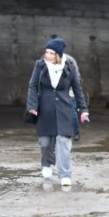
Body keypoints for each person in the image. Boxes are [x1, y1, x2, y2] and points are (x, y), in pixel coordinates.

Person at [26, 37, 89, 187]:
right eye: (46, 52)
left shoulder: (69, 66)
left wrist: (83, 109)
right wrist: (32, 106)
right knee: (45, 142)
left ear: (58, 55)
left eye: (51, 53)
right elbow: (33, 86)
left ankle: (65, 174)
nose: (47, 55)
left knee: (64, 142)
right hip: (45, 108)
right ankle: (47, 163)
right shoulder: (40, 65)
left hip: (64, 108)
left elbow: (77, 89)